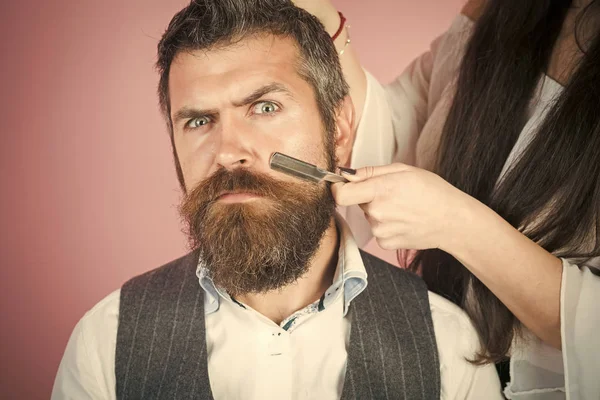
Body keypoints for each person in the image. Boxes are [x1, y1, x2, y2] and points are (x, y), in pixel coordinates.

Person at [51, 0, 503, 399]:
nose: (229, 152)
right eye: (198, 121)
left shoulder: (448, 345)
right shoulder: (105, 342)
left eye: (264, 108)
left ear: (340, 130)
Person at [293, 0, 600, 398]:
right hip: (440, 360)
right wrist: (321, 16)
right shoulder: (499, 10)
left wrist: (455, 222)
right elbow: (403, 132)